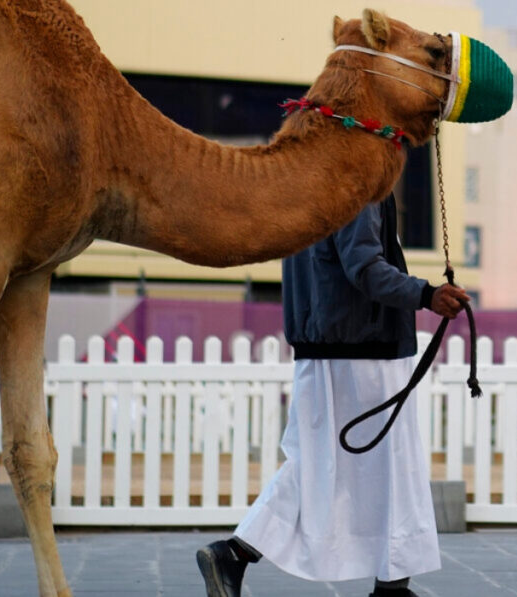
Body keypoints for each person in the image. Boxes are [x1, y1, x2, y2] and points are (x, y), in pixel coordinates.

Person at [196, 193, 469, 597]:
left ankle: (237, 554)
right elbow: (365, 269)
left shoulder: (310, 177)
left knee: (319, 460)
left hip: (325, 341)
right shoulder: (357, 183)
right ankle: (237, 553)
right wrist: (426, 295)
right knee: (390, 462)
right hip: (362, 348)